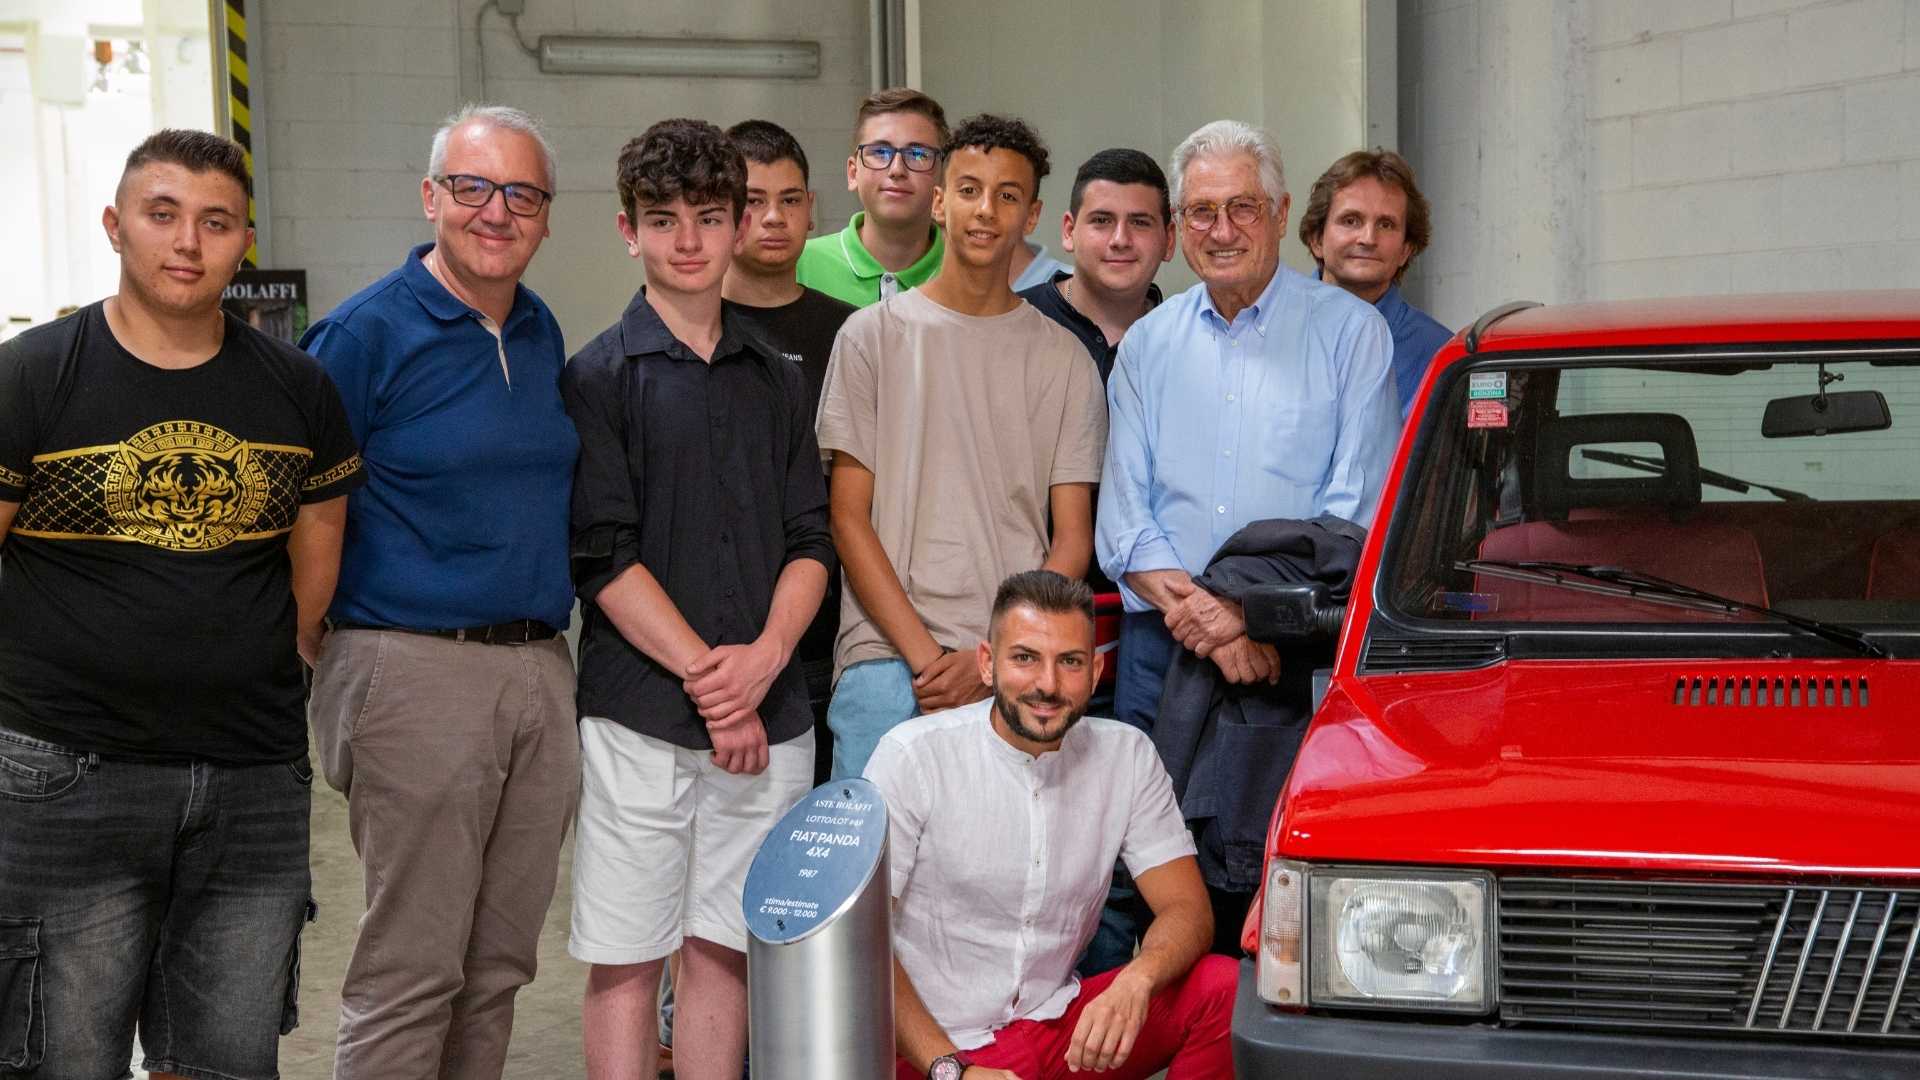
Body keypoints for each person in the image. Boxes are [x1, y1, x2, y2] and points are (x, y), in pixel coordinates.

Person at [0, 129, 361, 1080]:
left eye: (215, 222)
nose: (187, 243)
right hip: (67, 774)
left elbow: (314, 563)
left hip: (250, 779)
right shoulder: (31, 374)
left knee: (226, 1062)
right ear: (116, 226)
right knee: (61, 1058)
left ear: (246, 239)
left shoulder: (299, 388)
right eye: (163, 216)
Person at [301, 104, 580, 1079]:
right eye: (472, 187)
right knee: (410, 970)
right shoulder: (362, 336)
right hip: (412, 668)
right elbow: (300, 508)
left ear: (546, 217)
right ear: (431, 198)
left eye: (522, 194)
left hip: (539, 670)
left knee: (499, 964)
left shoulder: (541, 332)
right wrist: (325, 656)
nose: (495, 212)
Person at [564, 118, 832, 1080]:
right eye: (663, 219)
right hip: (641, 717)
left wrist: (761, 667)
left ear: (738, 224)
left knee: (727, 946)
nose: (688, 240)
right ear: (627, 230)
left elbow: (813, 541)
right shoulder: (596, 377)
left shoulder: (779, 377)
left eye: (709, 218)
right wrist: (715, 686)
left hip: (773, 705)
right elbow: (602, 556)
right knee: (630, 954)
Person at [1096, 119, 1399, 950]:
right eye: (1199, 212)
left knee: (1282, 883)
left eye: (1241, 208)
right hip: (1165, 653)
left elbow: (1352, 514)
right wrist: (1212, 622)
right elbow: (1124, 519)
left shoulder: (1349, 334)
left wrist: (1247, 619)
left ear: (1280, 211)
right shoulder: (1150, 344)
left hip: (1295, 654)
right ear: (1177, 226)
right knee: (1146, 874)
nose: (1220, 230)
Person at [816, 114, 1107, 780]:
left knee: (1008, 878)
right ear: (939, 200)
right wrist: (926, 659)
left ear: (1031, 212)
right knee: (872, 876)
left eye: (1008, 195)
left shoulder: (1065, 359)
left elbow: (1071, 541)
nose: (986, 210)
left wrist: (1000, 656)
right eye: (970, 189)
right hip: (887, 663)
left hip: (1012, 667)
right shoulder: (870, 338)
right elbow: (847, 517)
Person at [866, 570, 1236, 1080]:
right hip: (935, 1050)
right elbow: (862, 943)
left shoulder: (1126, 755)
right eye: (1025, 658)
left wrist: (1137, 980)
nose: (1048, 684)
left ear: (1096, 669)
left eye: (1069, 662)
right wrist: (951, 1070)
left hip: (1057, 1029)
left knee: (1221, 989)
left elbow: (1187, 910)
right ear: (987, 664)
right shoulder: (913, 756)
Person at [724, 117, 859, 779]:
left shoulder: (855, 333)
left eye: (791, 199)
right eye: (753, 201)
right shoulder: (692, 327)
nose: (773, 218)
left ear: (812, 209)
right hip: (721, 630)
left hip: (831, 633)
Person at [1299, 148, 1449, 418]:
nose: (1368, 238)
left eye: (1386, 225)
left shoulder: (1440, 356)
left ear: (1406, 249)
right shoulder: (1267, 331)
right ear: (1316, 239)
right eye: (1350, 220)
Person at [1016, 147, 1175, 382]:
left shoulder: (1185, 340)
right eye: (1101, 221)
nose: (1120, 240)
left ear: (1169, 240)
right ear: (1069, 232)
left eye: (1140, 222)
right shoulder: (1013, 319)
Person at [796, 87, 949, 306]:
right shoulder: (800, 266)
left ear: (942, 177)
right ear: (852, 173)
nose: (897, 170)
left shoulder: (968, 274)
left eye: (917, 154)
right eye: (879, 152)